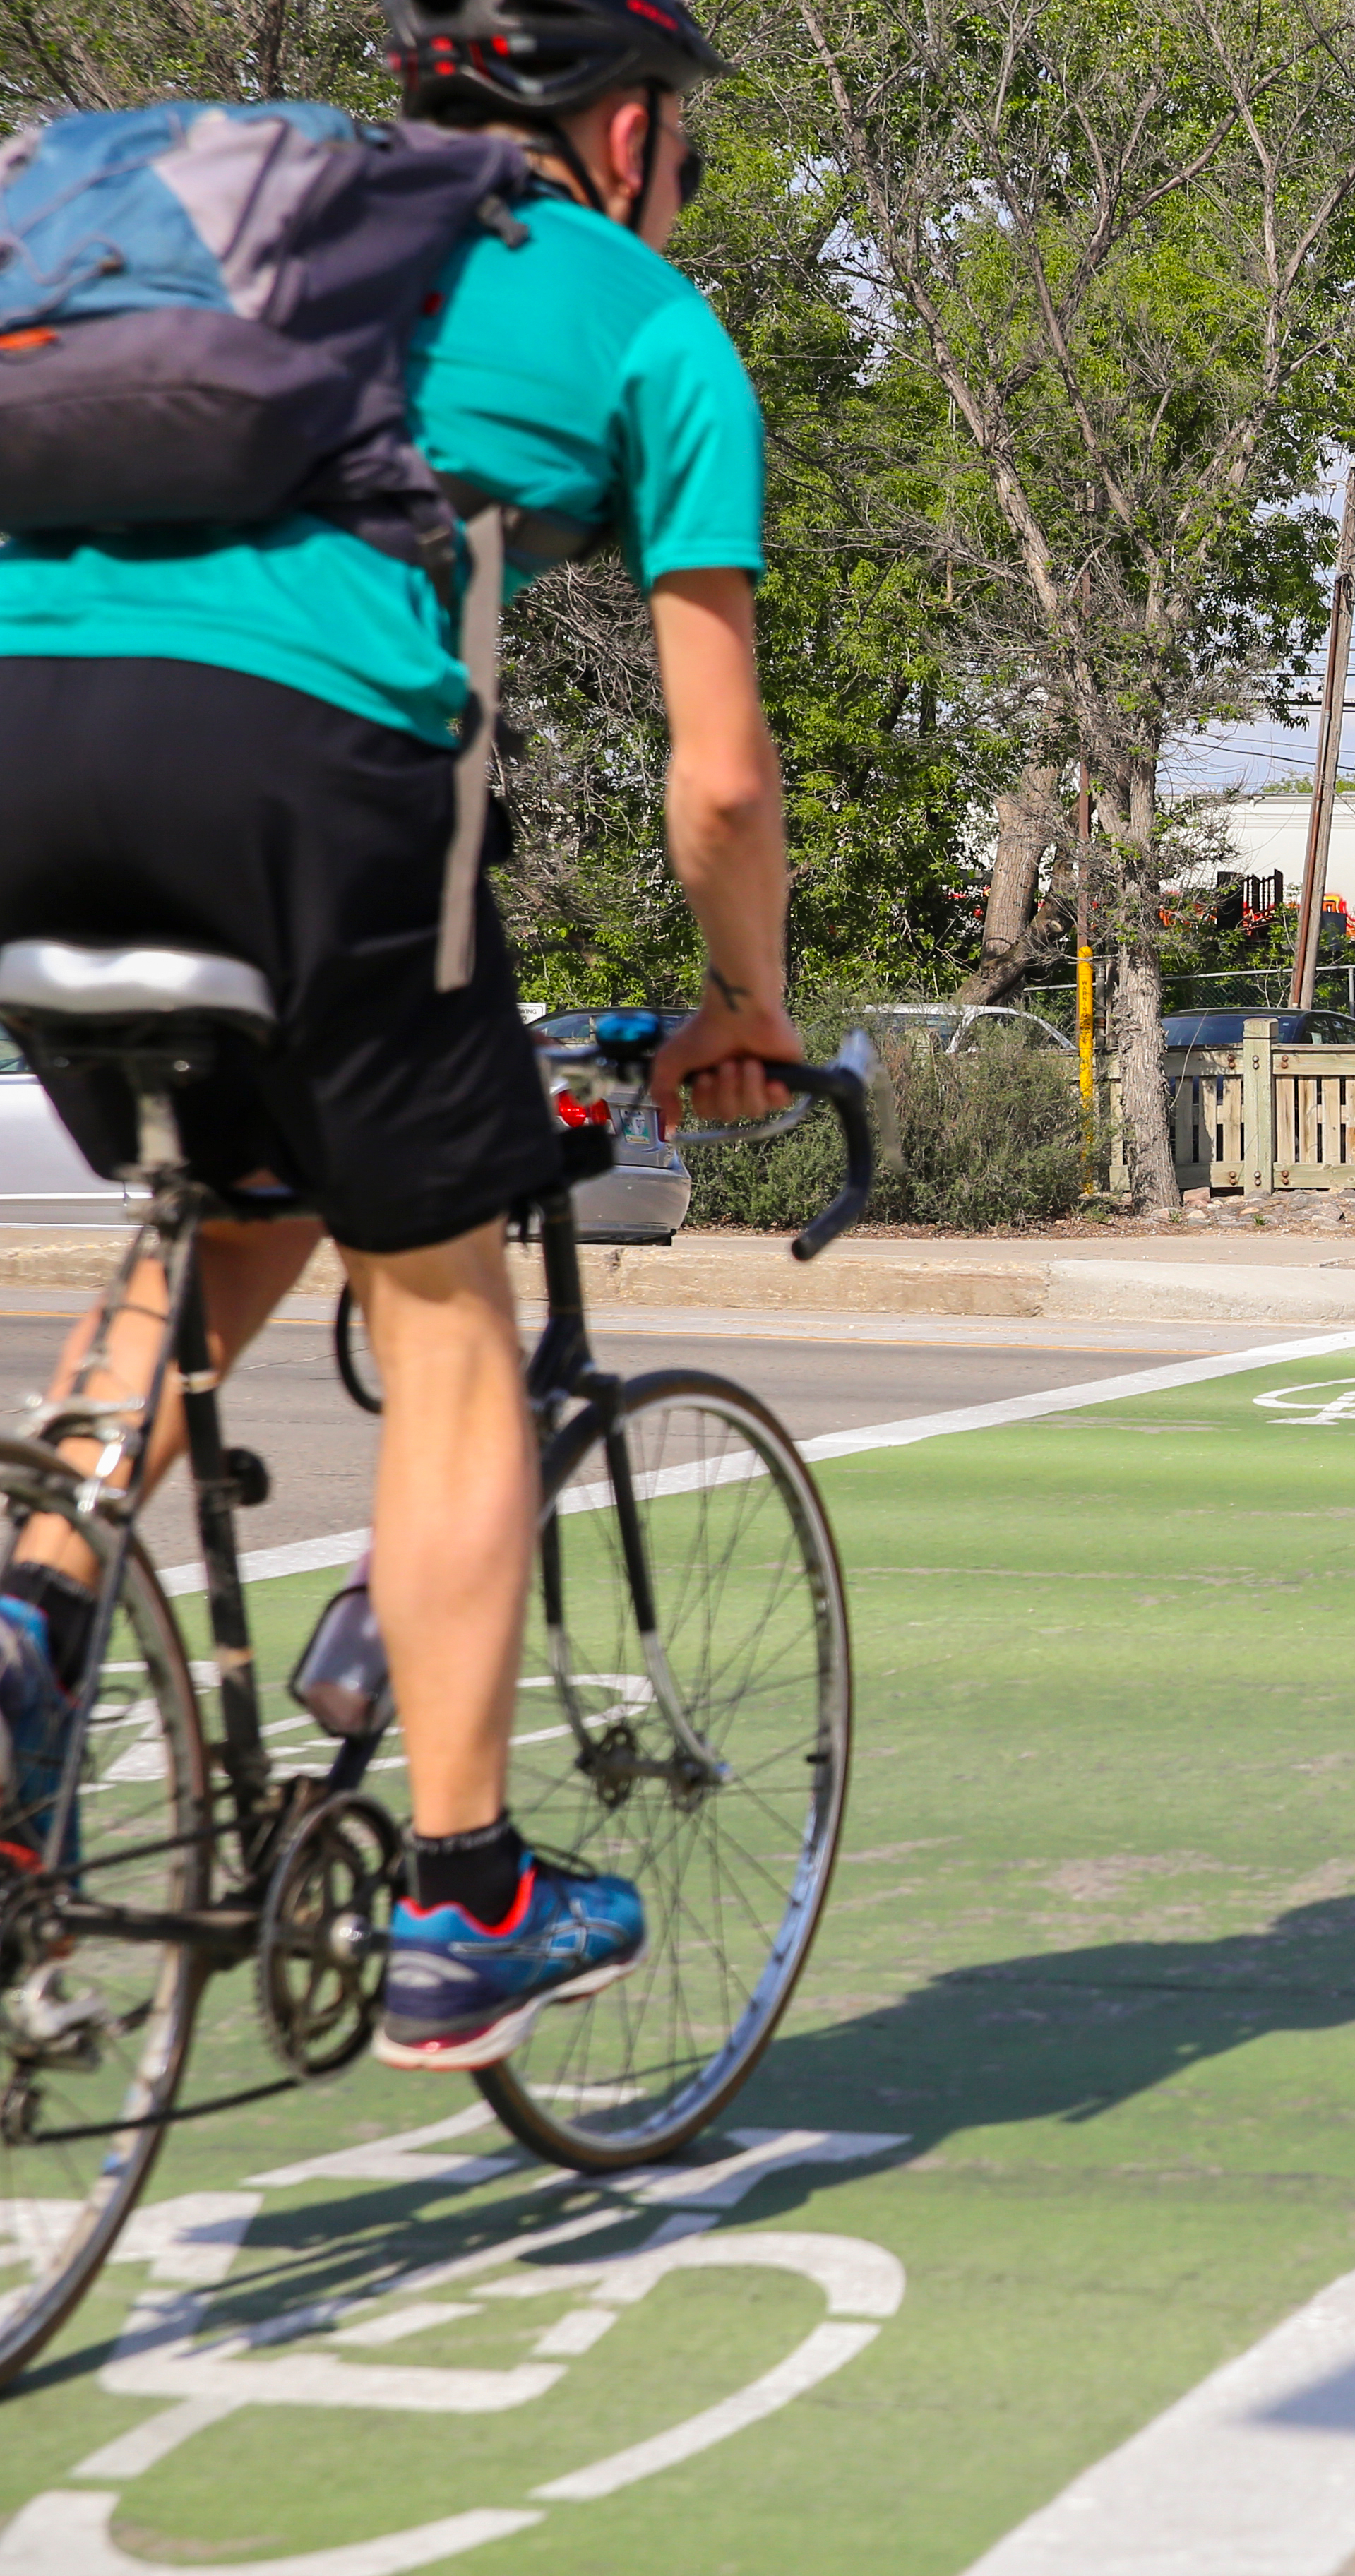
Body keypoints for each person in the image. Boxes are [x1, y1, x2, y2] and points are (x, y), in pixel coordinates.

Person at [0, 0, 802, 2071]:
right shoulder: (641, 315)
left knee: (235, 1203)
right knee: (444, 1305)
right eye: (684, 145)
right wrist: (747, 1001)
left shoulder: (249, 227)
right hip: (297, 767)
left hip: (22, 740)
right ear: (625, 130)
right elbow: (718, 783)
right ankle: (467, 1896)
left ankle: (28, 1606)